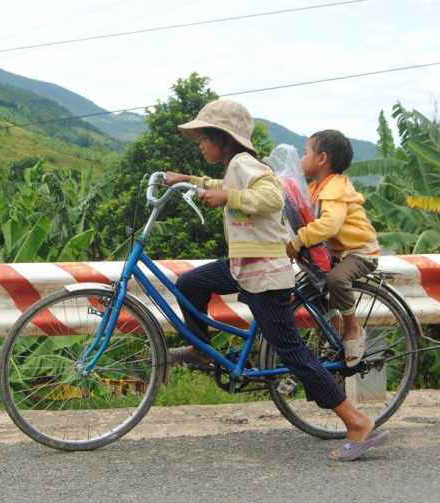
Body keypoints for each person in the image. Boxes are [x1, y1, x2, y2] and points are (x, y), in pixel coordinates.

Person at [165, 100, 389, 461]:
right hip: (245, 264)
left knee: (293, 353)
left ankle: (357, 421)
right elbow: (223, 184)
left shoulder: (245, 163)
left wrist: (226, 196)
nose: (201, 145)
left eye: (205, 138)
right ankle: (199, 351)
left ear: (224, 139)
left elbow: (271, 196)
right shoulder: (235, 166)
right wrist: (187, 180)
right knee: (190, 283)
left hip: (265, 272)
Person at [286, 130, 380, 368]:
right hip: (338, 252)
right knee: (309, 285)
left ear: (322, 159)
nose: (301, 160)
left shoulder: (335, 187)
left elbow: (329, 224)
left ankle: (352, 329)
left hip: (360, 251)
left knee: (337, 279)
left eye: (305, 153)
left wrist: (298, 241)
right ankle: (334, 323)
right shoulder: (316, 188)